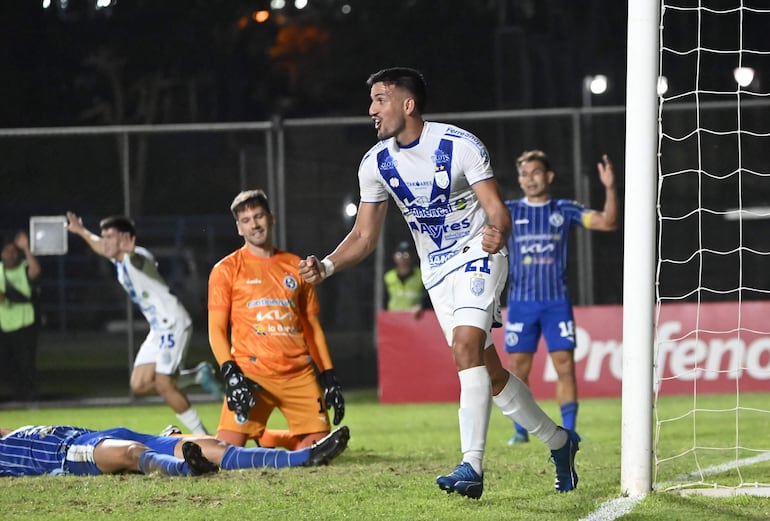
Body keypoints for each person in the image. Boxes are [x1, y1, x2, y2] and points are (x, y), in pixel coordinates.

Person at [297, 67, 580, 498]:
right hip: (438, 274)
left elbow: (497, 211)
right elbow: (364, 236)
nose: (371, 110)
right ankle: (560, 442)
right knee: (491, 372)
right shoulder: (375, 163)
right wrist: (329, 266)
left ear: (407, 105)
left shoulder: (459, 146)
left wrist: (497, 232)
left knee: (465, 348)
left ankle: (472, 465)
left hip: (479, 256)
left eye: (380, 99)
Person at [208, 189, 345, 450]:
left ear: (271, 219)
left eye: (258, 216)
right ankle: (174, 440)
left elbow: (312, 328)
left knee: (319, 450)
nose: (254, 224)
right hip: (252, 374)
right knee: (223, 451)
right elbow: (216, 329)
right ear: (239, 228)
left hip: (298, 375)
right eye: (246, 220)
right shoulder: (225, 270)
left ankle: (268, 438)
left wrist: (329, 375)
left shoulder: (297, 266)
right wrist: (230, 372)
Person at [503, 149, 617, 445]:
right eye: (524, 174)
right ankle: (520, 430)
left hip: (556, 303)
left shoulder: (563, 209)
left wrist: (610, 188)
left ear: (549, 176)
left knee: (564, 365)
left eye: (536, 173)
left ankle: (569, 428)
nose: (530, 179)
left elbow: (608, 222)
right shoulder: (509, 211)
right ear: (519, 179)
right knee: (518, 370)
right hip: (520, 303)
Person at [66, 212, 214, 434]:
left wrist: (132, 252)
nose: (104, 241)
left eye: (109, 236)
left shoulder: (136, 256)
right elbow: (99, 246)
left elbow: (139, 260)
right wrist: (81, 231)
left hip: (174, 323)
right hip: (158, 329)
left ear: (125, 238)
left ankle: (205, 439)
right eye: (103, 236)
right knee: (139, 385)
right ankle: (197, 376)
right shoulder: (117, 258)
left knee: (164, 385)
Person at [0, 423, 350, 477]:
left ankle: (304, 457)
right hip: (70, 452)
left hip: (97, 432)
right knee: (129, 452)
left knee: (211, 444)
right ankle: (187, 468)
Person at [0, 231, 42, 402]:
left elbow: (36, 271)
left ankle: (29, 397)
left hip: (25, 323)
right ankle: (13, 396)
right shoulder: (0, 270)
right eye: (6, 251)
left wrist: (26, 248)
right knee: (7, 364)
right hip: (4, 324)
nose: (9, 254)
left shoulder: (24, 267)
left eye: (13, 251)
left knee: (26, 364)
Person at [383, 240, 429, 319]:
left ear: (412, 257)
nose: (402, 258)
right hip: (393, 318)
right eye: (399, 254)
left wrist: (421, 306)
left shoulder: (421, 275)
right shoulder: (388, 276)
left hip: (415, 318)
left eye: (406, 255)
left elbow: (427, 296)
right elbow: (383, 299)